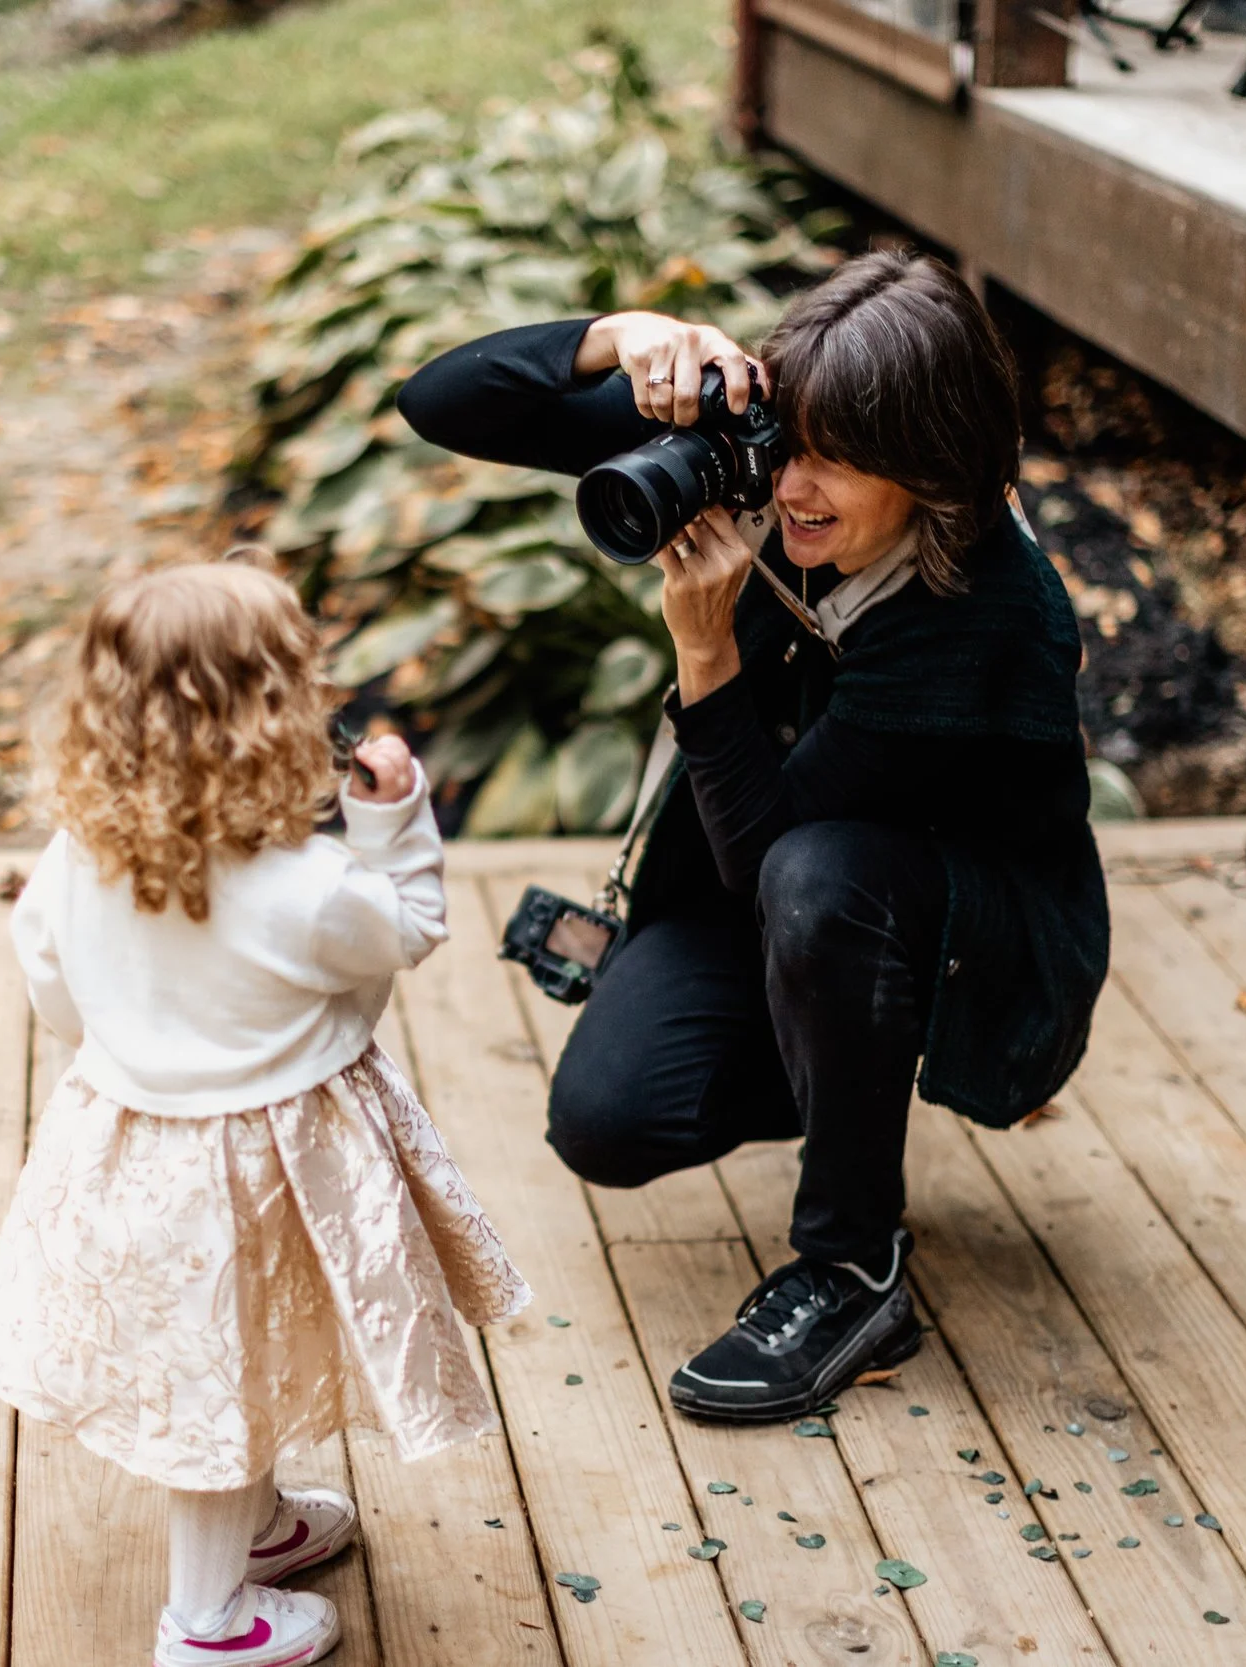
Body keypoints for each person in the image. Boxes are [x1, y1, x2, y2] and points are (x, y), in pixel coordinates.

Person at [396, 248, 1107, 1423]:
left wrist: (707, 648)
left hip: (971, 945)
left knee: (819, 880)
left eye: (836, 462)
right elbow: (442, 400)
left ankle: (854, 1265)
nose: (790, 489)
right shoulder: (758, 448)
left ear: (933, 467)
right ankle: (841, 1056)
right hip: (787, 894)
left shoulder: (987, 616)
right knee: (609, 1119)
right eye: (790, 446)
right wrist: (621, 336)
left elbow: (768, 850)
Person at [0, 563, 529, 1667]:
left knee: (223, 1361)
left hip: (135, 1146)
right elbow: (406, 925)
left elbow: (46, 976)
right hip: (285, 1164)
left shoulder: (83, 854)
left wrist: (131, 1050)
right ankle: (207, 1623)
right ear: (274, 710)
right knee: (225, 1380)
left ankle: (258, 1531)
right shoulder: (308, 885)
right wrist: (391, 816)